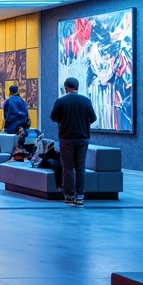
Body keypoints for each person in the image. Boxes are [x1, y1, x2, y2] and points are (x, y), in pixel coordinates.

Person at [50, 76, 97, 205]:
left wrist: (64, 120)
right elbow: (93, 118)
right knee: (80, 167)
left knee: (68, 167)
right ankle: (80, 196)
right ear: (77, 86)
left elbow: (53, 117)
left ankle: (69, 195)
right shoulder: (86, 101)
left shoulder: (61, 101)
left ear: (66, 87)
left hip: (66, 138)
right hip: (82, 138)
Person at [2, 84, 31, 158]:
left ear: (10, 91)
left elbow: (10, 112)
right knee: (19, 140)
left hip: (14, 123)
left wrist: (7, 122)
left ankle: (15, 155)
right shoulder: (21, 100)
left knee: (14, 141)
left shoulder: (11, 100)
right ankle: (19, 154)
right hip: (22, 122)